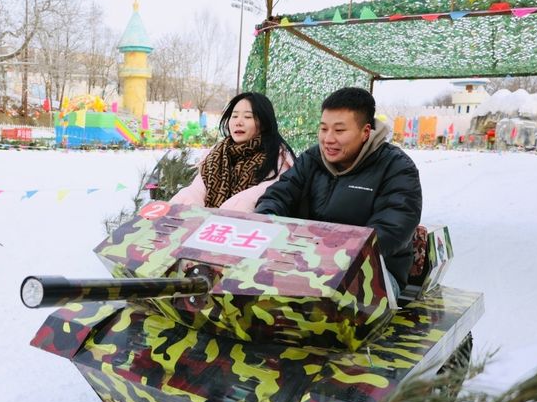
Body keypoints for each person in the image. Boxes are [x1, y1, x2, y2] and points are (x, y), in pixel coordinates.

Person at [255, 87, 422, 297]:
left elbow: (393, 227)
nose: (328, 139)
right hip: (304, 262)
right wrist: (266, 221)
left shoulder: (396, 167)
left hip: (373, 272)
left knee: (323, 306)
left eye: (339, 130)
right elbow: (278, 196)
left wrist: (335, 256)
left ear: (365, 132)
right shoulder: (311, 160)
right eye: (324, 129)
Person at [170, 92, 294, 213]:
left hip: (247, 230)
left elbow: (260, 197)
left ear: (263, 123)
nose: (238, 122)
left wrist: (225, 215)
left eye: (247, 117)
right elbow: (197, 190)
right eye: (234, 116)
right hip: (209, 230)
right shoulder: (216, 154)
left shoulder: (277, 158)